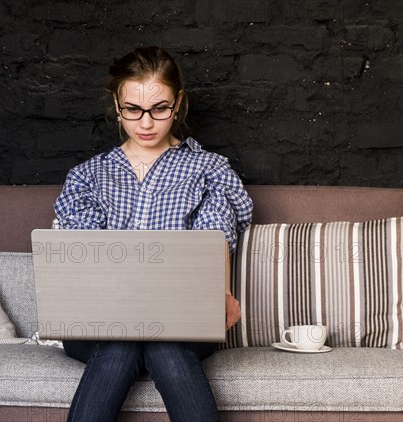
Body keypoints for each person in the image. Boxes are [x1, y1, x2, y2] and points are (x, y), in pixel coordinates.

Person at [53, 46, 253, 422]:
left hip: (180, 321)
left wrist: (221, 293)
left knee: (162, 345)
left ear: (178, 103)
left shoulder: (209, 169)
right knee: (120, 343)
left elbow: (217, 235)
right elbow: (83, 254)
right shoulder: (88, 176)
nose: (146, 123)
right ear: (116, 103)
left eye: (160, 108)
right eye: (133, 109)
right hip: (101, 322)